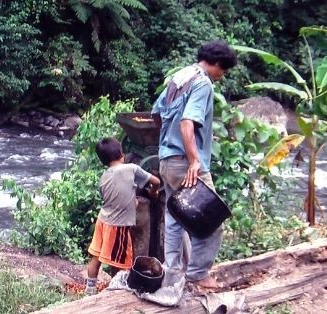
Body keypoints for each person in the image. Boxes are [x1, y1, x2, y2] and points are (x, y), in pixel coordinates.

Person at [151, 39, 237, 290]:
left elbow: (156, 114)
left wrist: (168, 143)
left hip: (167, 160)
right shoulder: (202, 83)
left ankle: (172, 272)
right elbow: (187, 123)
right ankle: (198, 274)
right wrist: (194, 160)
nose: (222, 75)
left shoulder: (179, 77)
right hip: (185, 164)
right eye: (224, 69)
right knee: (212, 219)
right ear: (217, 64)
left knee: (175, 216)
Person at [85, 137, 160, 294]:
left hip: (102, 221)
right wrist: (153, 193)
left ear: (102, 161)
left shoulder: (104, 177)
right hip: (118, 226)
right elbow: (157, 182)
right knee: (123, 264)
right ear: (122, 153)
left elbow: (113, 197)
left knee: (96, 258)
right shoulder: (131, 168)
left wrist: (131, 201)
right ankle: (119, 294)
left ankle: (90, 290)